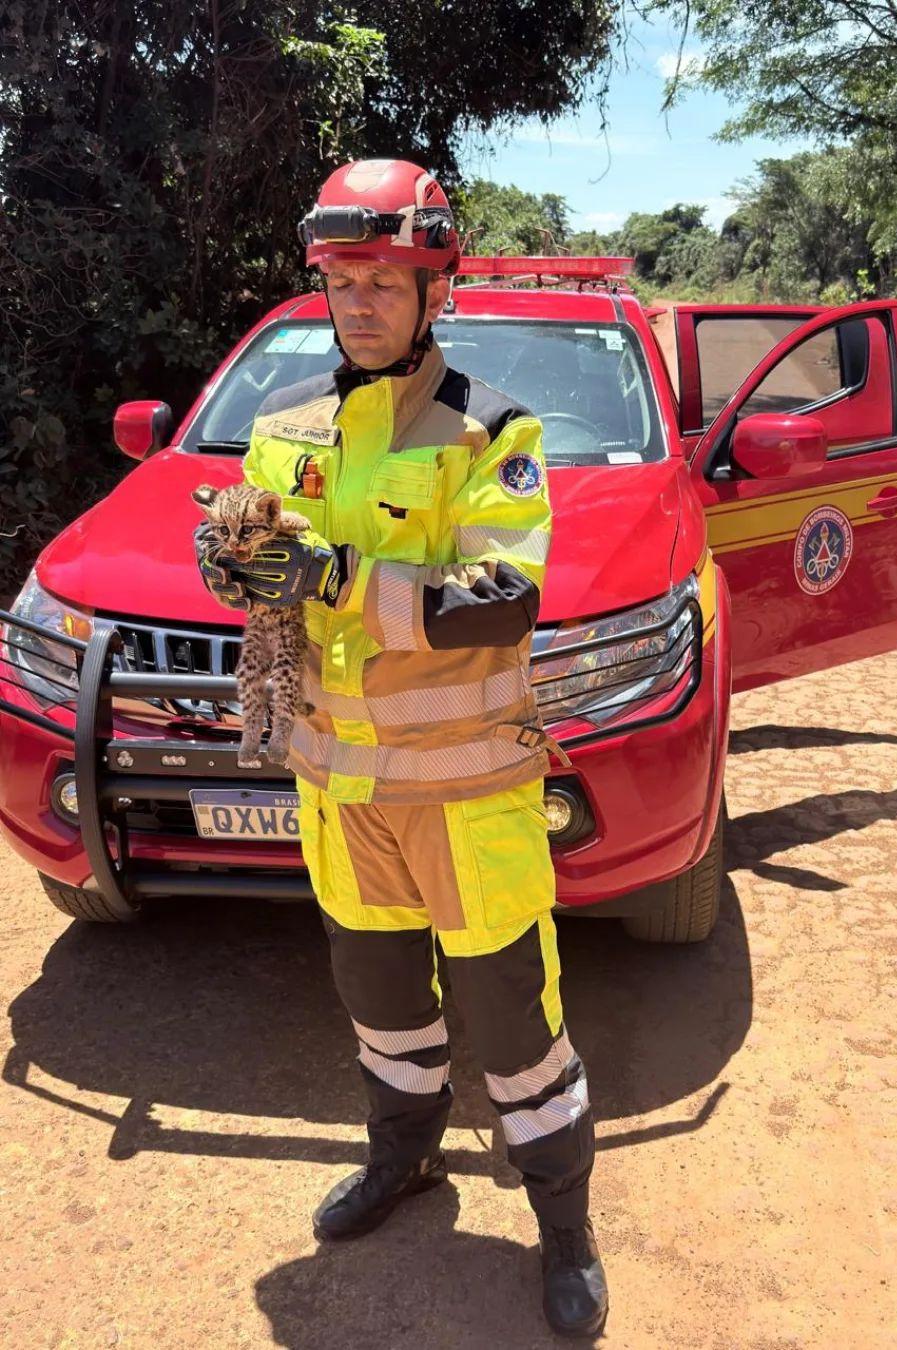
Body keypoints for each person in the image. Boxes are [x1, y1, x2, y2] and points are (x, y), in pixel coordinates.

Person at [193, 158, 607, 1338]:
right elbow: (250, 564)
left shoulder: (492, 432)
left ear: (437, 292)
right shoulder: (284, 433)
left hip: (469, 805)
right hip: (338, 797)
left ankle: (565, 1226)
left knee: (518, 1036)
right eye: (344, 280)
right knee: (382, 1008)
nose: (362, 301)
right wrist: (231, 564)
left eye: (388, 279)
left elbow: (498, 599)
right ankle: (404, 1162)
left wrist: (328, 574)